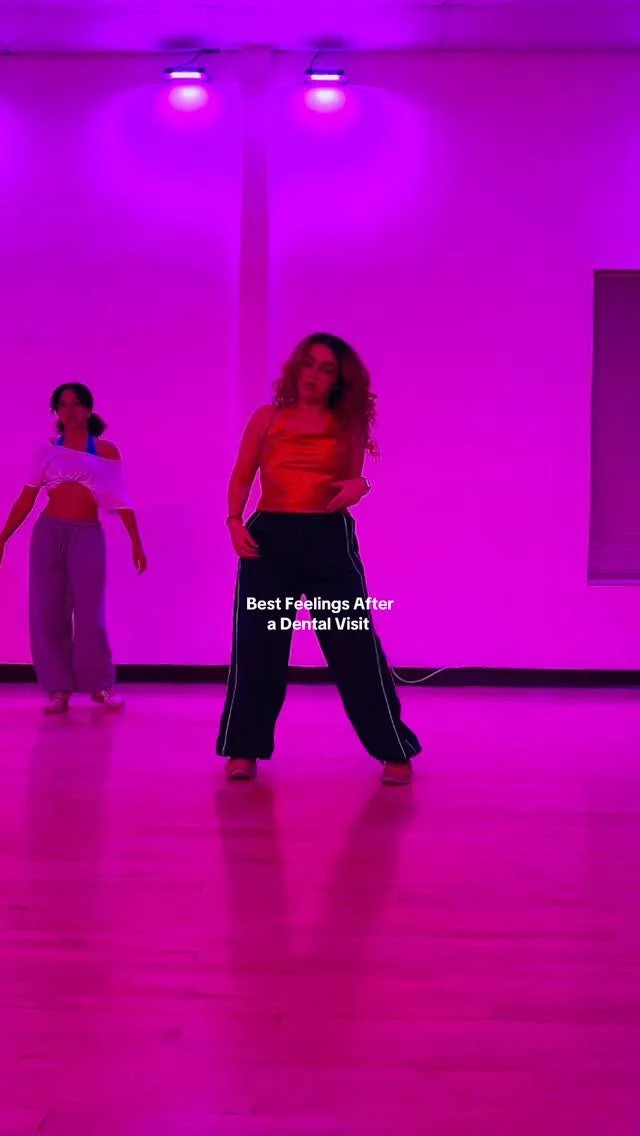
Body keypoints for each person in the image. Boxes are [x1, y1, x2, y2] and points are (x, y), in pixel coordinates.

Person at [217, 333, 421, 785]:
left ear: (338, 380)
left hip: (327, 538)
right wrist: (233, 520)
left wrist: (360, 487)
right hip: (268, 540)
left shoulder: (347, 423)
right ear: (297, 367)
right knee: (258, 644)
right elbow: (242, 475)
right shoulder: (267, 417)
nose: (313, 374)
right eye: (308, 363)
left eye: (326, 369)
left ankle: (393, 747)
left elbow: (354, 479)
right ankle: (243, 749)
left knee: (353, 645)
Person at [0, 383, 147, 714]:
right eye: (63, 404)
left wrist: (136, 542)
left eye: (77, 403)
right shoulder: (47, 451)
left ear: (89, 409)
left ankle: (100, 685)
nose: (70, 410)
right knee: (49, 610)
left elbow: (120, 498)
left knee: (90, 612)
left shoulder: (106, 450)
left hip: (87, 535)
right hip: (49, 533)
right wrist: (3, 537)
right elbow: (27, 498)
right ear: (56, 412)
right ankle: (58, 688)